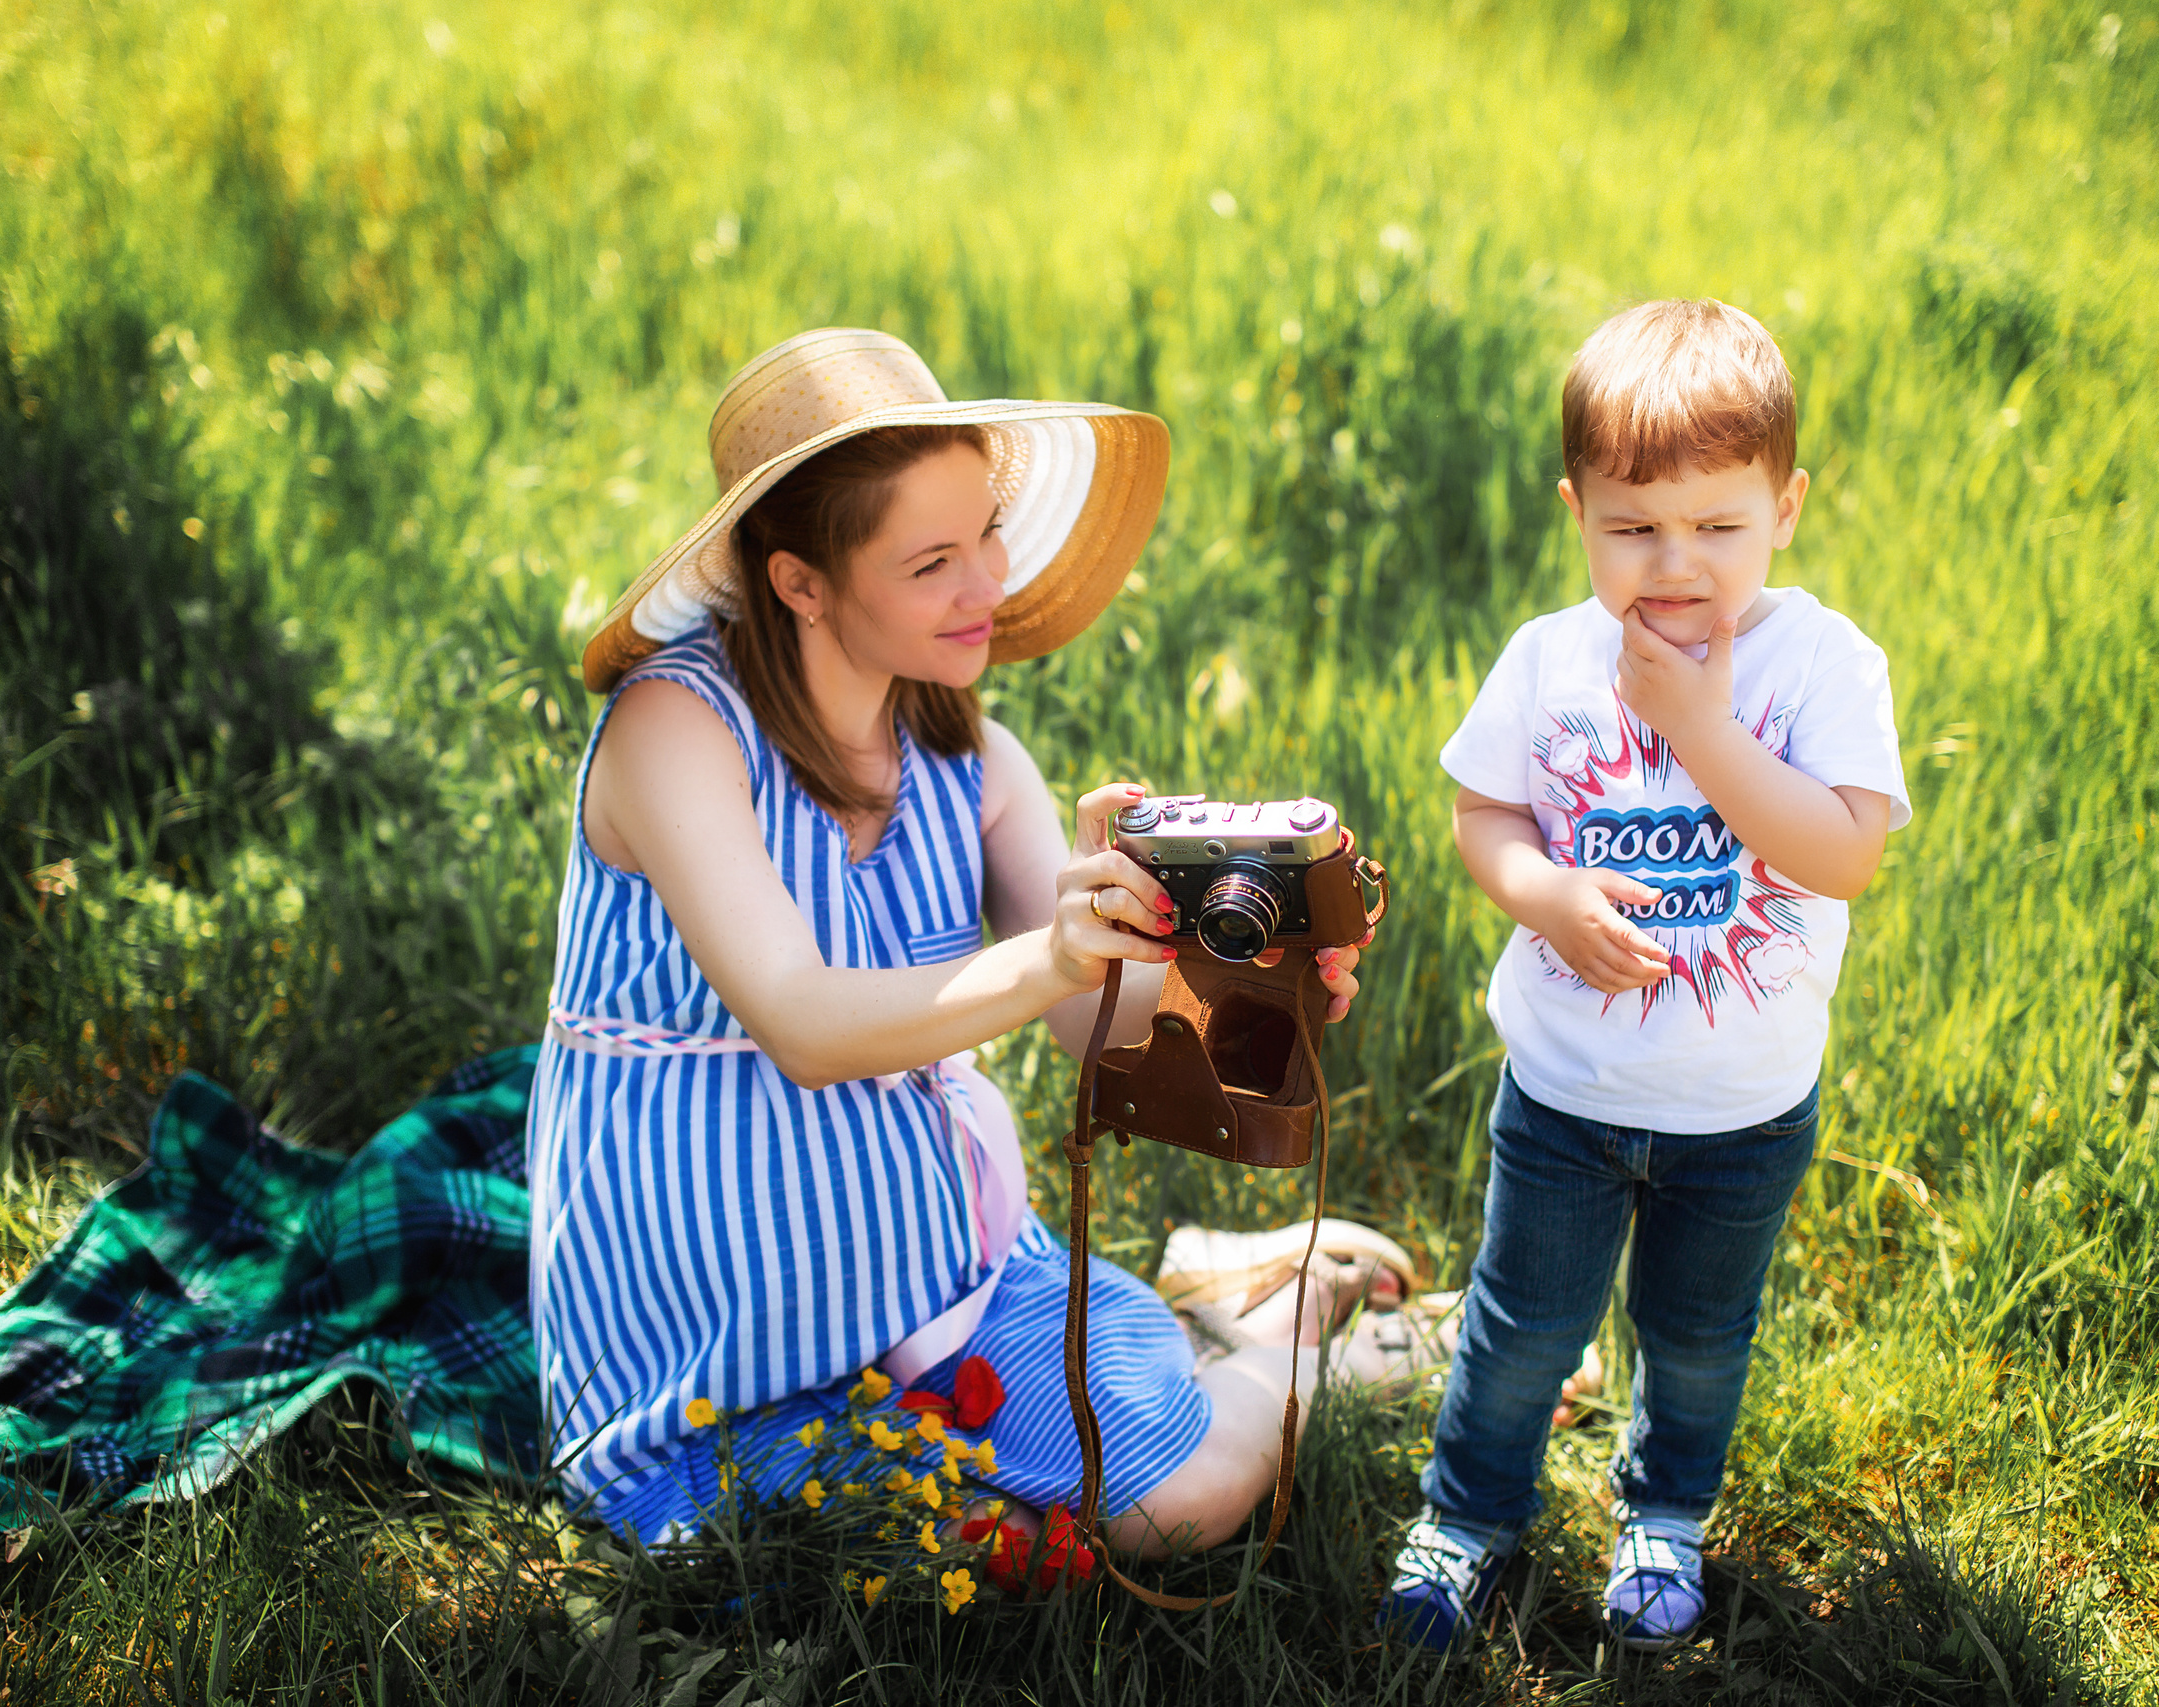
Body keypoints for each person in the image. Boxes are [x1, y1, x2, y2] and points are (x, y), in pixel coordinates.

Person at [527, 328, 1396, 1567]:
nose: (986, 582)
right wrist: (1056, 952)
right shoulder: (675, 729)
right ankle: (1233, 1324)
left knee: (1175, 1504)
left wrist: (1242, 976)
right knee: (839, 1559)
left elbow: (1087, 1027)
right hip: (709, 1347)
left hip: (940, 1288)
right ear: (801, 584)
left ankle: (1294, 1351)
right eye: (931, 561)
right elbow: (801, 1021)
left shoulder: (971, 763)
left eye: (986, 532)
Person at [1381, 300, 1913, 1650]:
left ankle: (1663, 1510)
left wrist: (1696, 724)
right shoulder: (1549, 660)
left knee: (1694, 1339)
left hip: (1741, 1112)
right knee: (1517, 1331)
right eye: (1632, 528)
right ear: (1578, 511)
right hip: (1564, 1095)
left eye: (1718, 527)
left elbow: (1845, 853)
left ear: (1785, 508)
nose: (1676, 566)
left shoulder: (1824, 664)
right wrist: (1545, 895)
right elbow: (1481, 815)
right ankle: (1469, 1514)